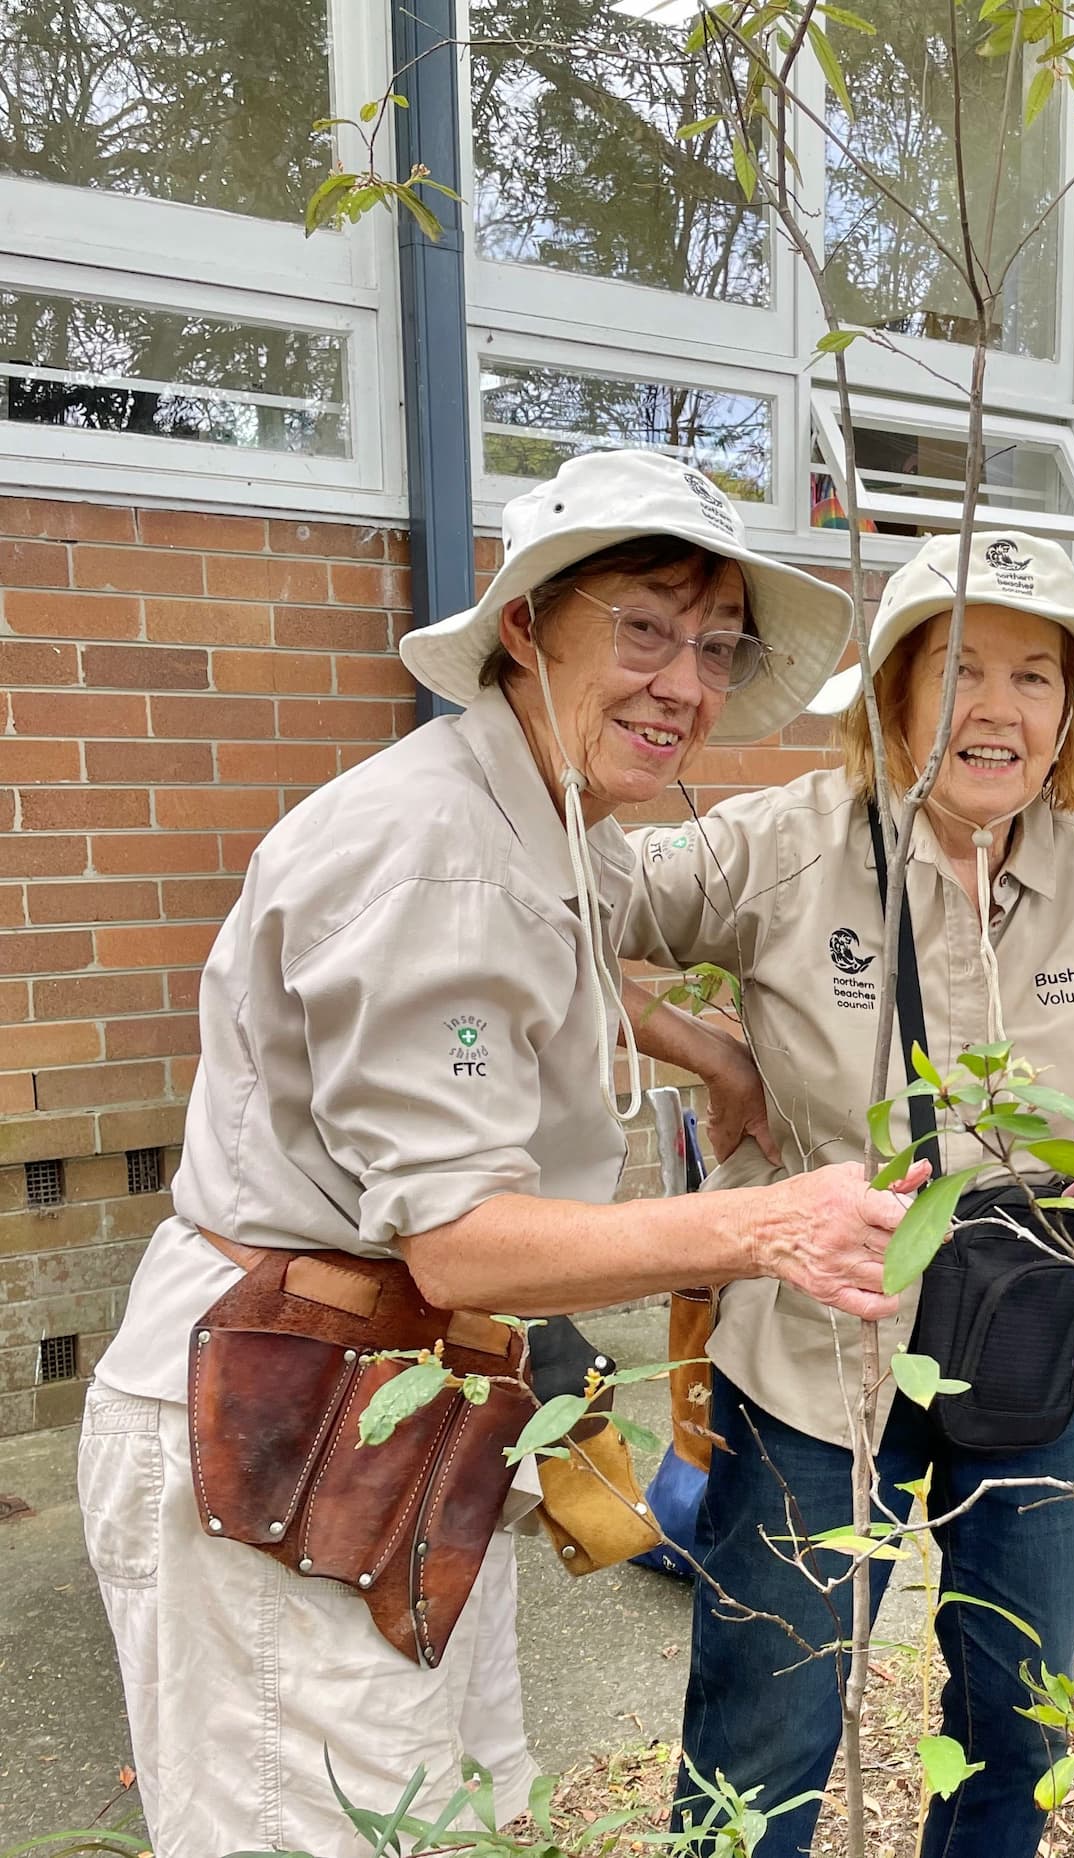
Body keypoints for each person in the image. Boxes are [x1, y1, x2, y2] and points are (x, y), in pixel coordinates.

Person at [78, 451, 914, 1858]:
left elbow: (556, 958)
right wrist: (768, 1223)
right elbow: (460, 1236)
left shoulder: (539, 807)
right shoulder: (433, 851)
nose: (688, 685)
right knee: (332, 1831)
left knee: (452, 1816)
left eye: (714, 647)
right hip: (281, 1411)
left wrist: (706, 1046)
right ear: (525, 624)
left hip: (393, 1411)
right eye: (644, 628)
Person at [622, 530, 1074, 1857]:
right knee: (767, 1724)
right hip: (821, 1354)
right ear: (893, 693)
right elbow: (550, 905)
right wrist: (705, 1049)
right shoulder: (783, 847)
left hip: (1029, 1342)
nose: (997, 710)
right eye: (959, 670)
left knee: (1019, 1707)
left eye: (1035, 676)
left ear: (1070, 714)